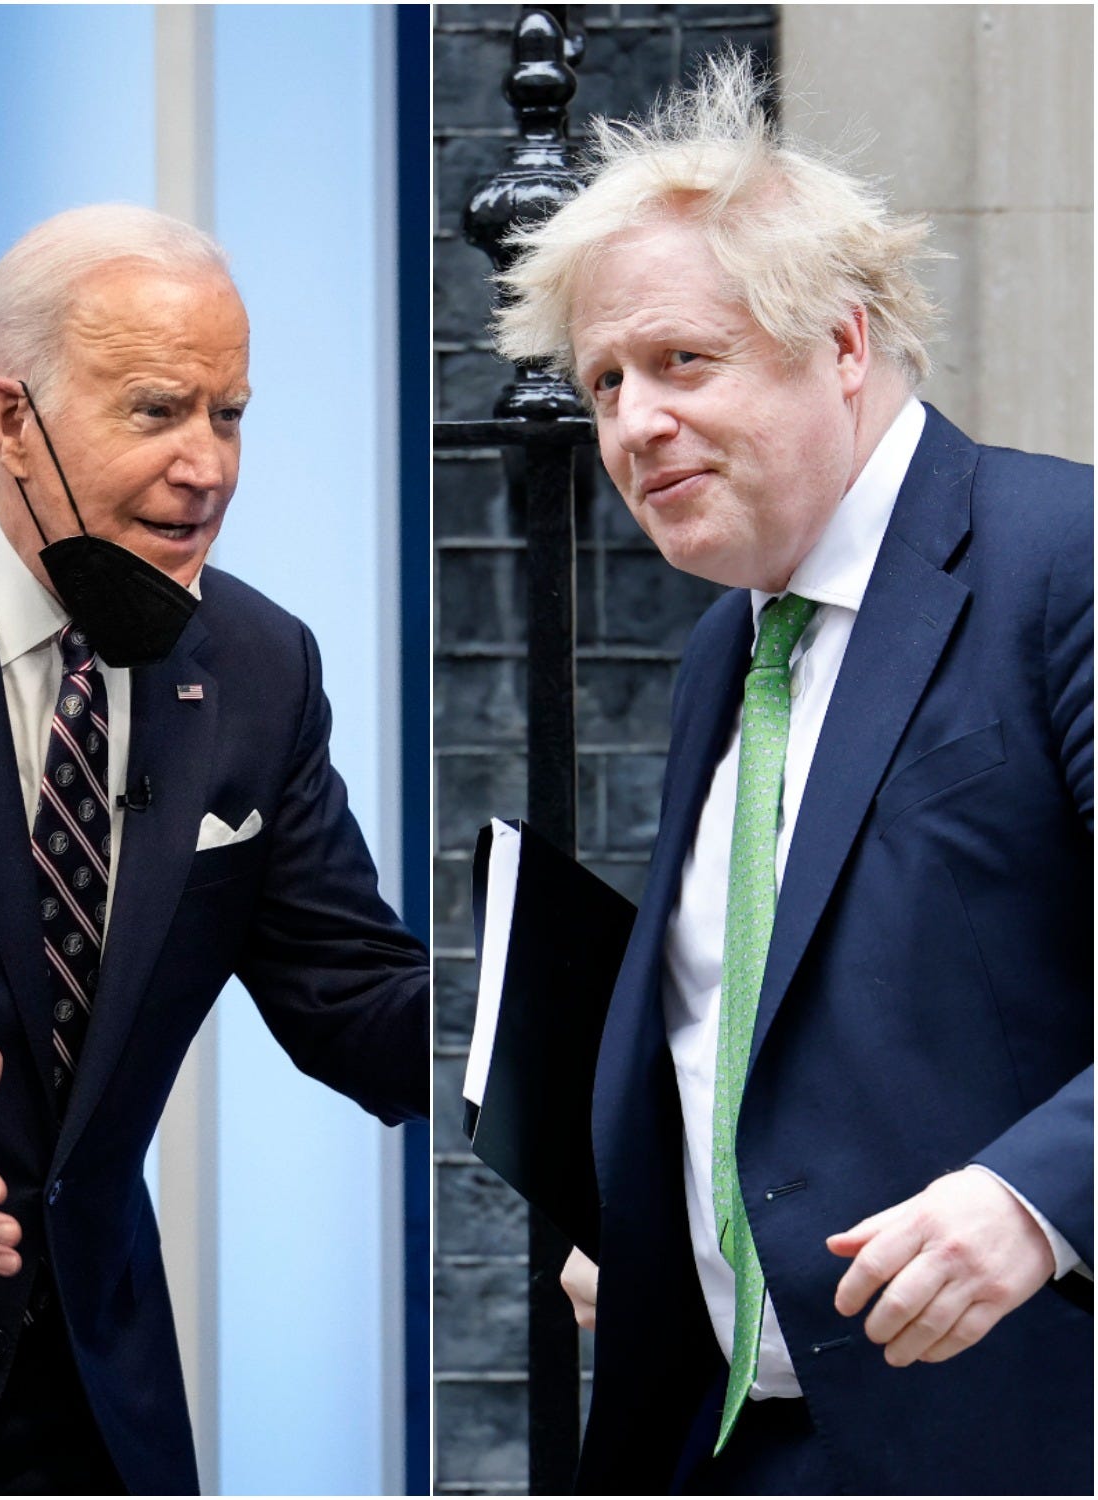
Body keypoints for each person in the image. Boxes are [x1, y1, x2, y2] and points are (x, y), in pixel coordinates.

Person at [492, 54, 1092, 1493]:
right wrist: (653, 1225)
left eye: (681, 360)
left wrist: (1039, 1199)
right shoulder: (727, 649)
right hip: (724, 1442)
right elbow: (746, 1020)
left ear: (839, 341)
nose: (631, 424)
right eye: (605, 383)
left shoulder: (1059, 562)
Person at [0, 203, 428, 1494]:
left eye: (228, 414)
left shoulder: (257, 663)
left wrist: (579, 1025)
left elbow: (353, 995)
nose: (209, 467)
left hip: (103, 1419)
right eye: (157, 411)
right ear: (13, 421)